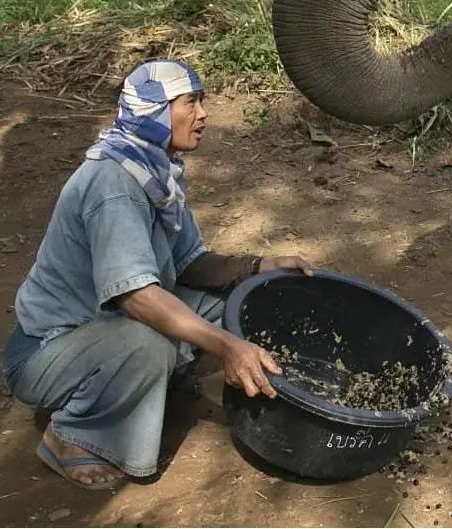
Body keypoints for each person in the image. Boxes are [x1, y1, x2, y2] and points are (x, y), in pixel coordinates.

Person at [1, 60, 312, 490]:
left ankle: (144, 381)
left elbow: (191, 264)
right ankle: (71, 434)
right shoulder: (112, 184)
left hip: (104, 327)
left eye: (202, 101)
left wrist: (259, 266)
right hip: (47, 350)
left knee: (245, 295)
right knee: (152, 344)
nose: (203, 113)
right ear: (154, 112)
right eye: (191, 102)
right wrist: (228, 347)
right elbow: (138, 299)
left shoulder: (155, 171)